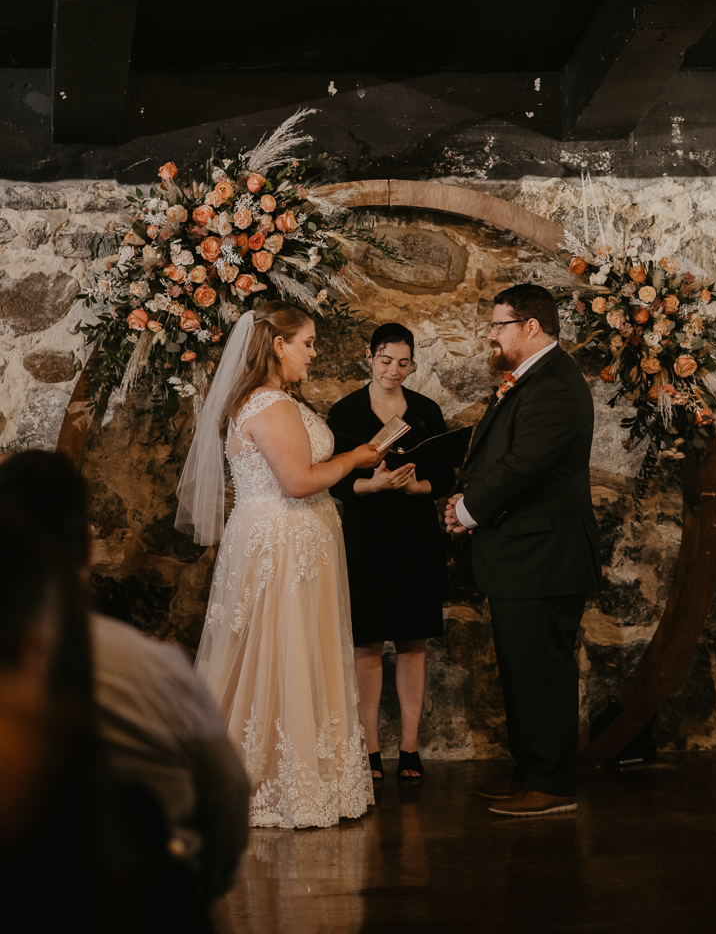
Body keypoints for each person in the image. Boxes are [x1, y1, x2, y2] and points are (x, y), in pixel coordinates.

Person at [0, 449, 248, 912]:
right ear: (88, 546)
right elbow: (228, 798)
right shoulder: (160, 669)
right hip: (151, 900)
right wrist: (194, 890)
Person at [176, 300, 382, 829]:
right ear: (278, 345)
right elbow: (298, 481)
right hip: (283, 544)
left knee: (277, 654)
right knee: (276, 653)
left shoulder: (269, 400)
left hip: (287, 540)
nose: (313, 354)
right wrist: (354, 459)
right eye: (308, 343)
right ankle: (270, 780)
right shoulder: (269, 404)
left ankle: (274, 771)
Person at [445, 283, 602, 817]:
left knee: (543, 672)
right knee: (519, 670)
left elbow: (524, 465)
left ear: (531, 327)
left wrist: (468, 510)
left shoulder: (555, 385)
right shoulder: (531, 379)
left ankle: (554, 784)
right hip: (521, 554)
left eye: (498, 325)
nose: (491, 335)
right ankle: (530, 770)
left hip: (545, 555)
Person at [327, 323, 454, 783]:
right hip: (365, 535)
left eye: (404, 363)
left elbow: (444, 475)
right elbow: (334, 480)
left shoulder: (426, 410)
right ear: (369, 356)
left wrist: (418, 486)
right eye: (385, 360)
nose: (393, 370)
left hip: (414, 535)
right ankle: (369, 751)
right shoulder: (345, 412)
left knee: (412, 642)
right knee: (366, 643)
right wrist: (373, 483)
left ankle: (410, 748)